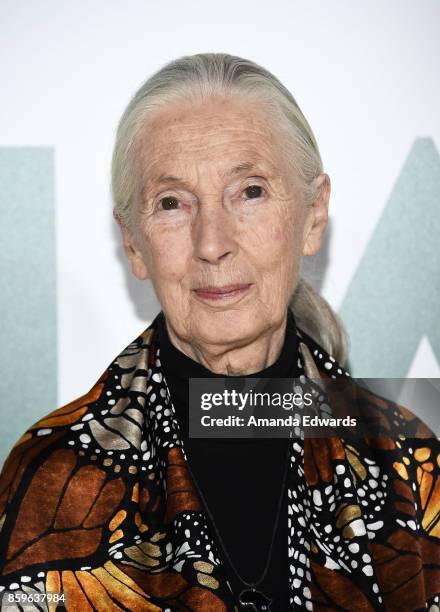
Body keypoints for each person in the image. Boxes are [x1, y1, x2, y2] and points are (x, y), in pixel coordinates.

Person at [0, 52, 439, 612]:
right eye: (172, 203)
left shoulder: (407, 457)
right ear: (133, 242)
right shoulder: (52, 476)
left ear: (312, 215)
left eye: (250, 191)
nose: (211, 243)